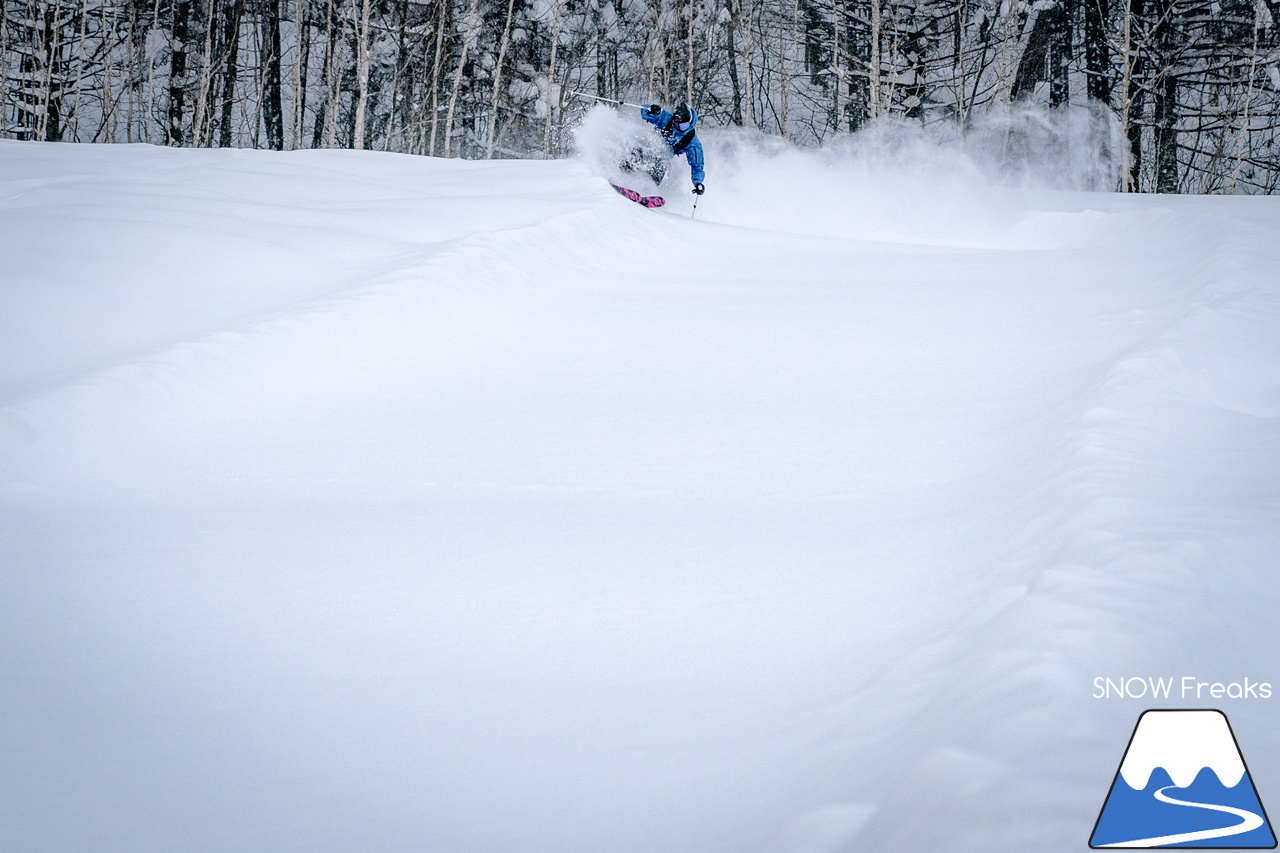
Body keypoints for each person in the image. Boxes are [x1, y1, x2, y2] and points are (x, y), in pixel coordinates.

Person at [626, 101, 705, 195]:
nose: (678, 127)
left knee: (661, 167)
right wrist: (653, 110)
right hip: (648, 146)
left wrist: (698, 182)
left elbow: (697, 165)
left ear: (690, 123)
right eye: (676, 123)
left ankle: (645, 191)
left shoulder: (692, 143)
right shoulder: (667, 118)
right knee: (638, 152)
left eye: (683, 125)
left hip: (662, 157)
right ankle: (623, 172)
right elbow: (645, 111)